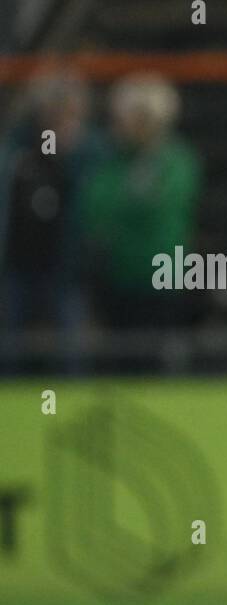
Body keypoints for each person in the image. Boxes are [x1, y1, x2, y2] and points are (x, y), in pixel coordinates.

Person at [80, 73, 202, 373]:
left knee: (156, 360)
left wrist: (127, 205)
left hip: (162, 276)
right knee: (121, 361)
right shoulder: (111, 163)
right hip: (119, 274)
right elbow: (95, 208)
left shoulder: (176, 159)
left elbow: (160, 204)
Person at [0, 71, 104, 376]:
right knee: (10, 347)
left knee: (71, 351)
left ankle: (71, 409)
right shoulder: (18, 148)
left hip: (66, 267)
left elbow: (93, 202)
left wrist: (71, 154)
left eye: (67, 109)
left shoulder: (89, 150)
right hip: (18, 264)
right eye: (53, 109)